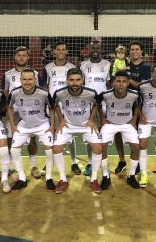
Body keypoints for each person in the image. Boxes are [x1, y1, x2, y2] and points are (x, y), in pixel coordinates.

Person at [52, 68, 105, 194]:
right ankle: (63, 179)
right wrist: (61, 120)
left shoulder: (91, 93)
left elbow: (97, 104)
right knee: (56, 149)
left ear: (82, 80)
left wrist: (92, 119)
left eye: (77, 80)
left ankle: (94, 179)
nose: (74, 83)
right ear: (66, 81)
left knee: (98, 149)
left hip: (86, 125)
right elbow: (54, 104)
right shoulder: (59, 93)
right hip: (68, 125)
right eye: (71, 80)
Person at [7, 68, 56, 192]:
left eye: (30, 79)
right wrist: (13, 125)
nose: (27, 82)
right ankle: (22, 179)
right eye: (24, 79)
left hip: (42, 125)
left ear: (35, 80)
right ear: (20, 80)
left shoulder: (43, 93)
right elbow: (9, 107)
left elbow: (52, 108)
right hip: (24, 125)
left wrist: (52, 126)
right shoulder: (14, 92)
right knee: (14, 151)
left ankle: (49, 178)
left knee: (50, 151)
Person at [2, 46, 43, 180]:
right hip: (14, 113)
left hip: (30, 112)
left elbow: (40, 93)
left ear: (28, 57)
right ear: (15, 57)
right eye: (19, 55)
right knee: (10, 139)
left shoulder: (36, 74)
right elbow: (6, 94)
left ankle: (33, 166)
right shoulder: (8, 74)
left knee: (32, 139)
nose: (21, 57)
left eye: (24, 55)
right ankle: (9, 168)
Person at [114, 41, 151, 174]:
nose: (134, 51)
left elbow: (142, 86)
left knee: (134, 136)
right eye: (132, 49)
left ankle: (137, 163)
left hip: (137, 105)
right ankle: (122, 161)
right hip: (120, 104)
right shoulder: (124, 64)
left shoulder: (146, 67)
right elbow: (116, 80)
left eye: (137, 49)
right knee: (118, 133)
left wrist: (127, 79)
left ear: (142, 51)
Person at [99, 70, 140, 189]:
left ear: (128, 83)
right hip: (110, 124)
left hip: (127, 124)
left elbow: (138, 105)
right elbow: (97, 105)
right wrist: (102, 119)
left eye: (124, 81)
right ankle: (106, 176)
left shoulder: (134, 95)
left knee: (136, 147)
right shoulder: (105, 94)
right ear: (113, 83)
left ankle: (131, 176)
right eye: (118, 81)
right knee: (102, 147)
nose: (121, 84)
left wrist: (134, 120)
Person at [42, 41, 79, 175]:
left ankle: (74, 162)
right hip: (53, 106)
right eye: (58, 49)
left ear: (67, 51)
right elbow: (46, 87)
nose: (61, 52)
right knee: (51, 133)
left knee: (69, 134)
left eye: (63, 49)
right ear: (54, 52)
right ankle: (49, 162)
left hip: (68, 106)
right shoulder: (47, 68)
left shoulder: (72, 67)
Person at [79, 41, 111, 177]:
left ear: (101, 50)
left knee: (103, 136)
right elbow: (81, 84)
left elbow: (109, 85)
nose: (95, 50)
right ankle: (91, 163)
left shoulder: (107, 65)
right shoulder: (83, 65)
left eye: (98, 48)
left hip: (103, 105)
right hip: (88, 105)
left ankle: (104, 164)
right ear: (89, 50)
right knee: (89, 136)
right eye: (93, 48)